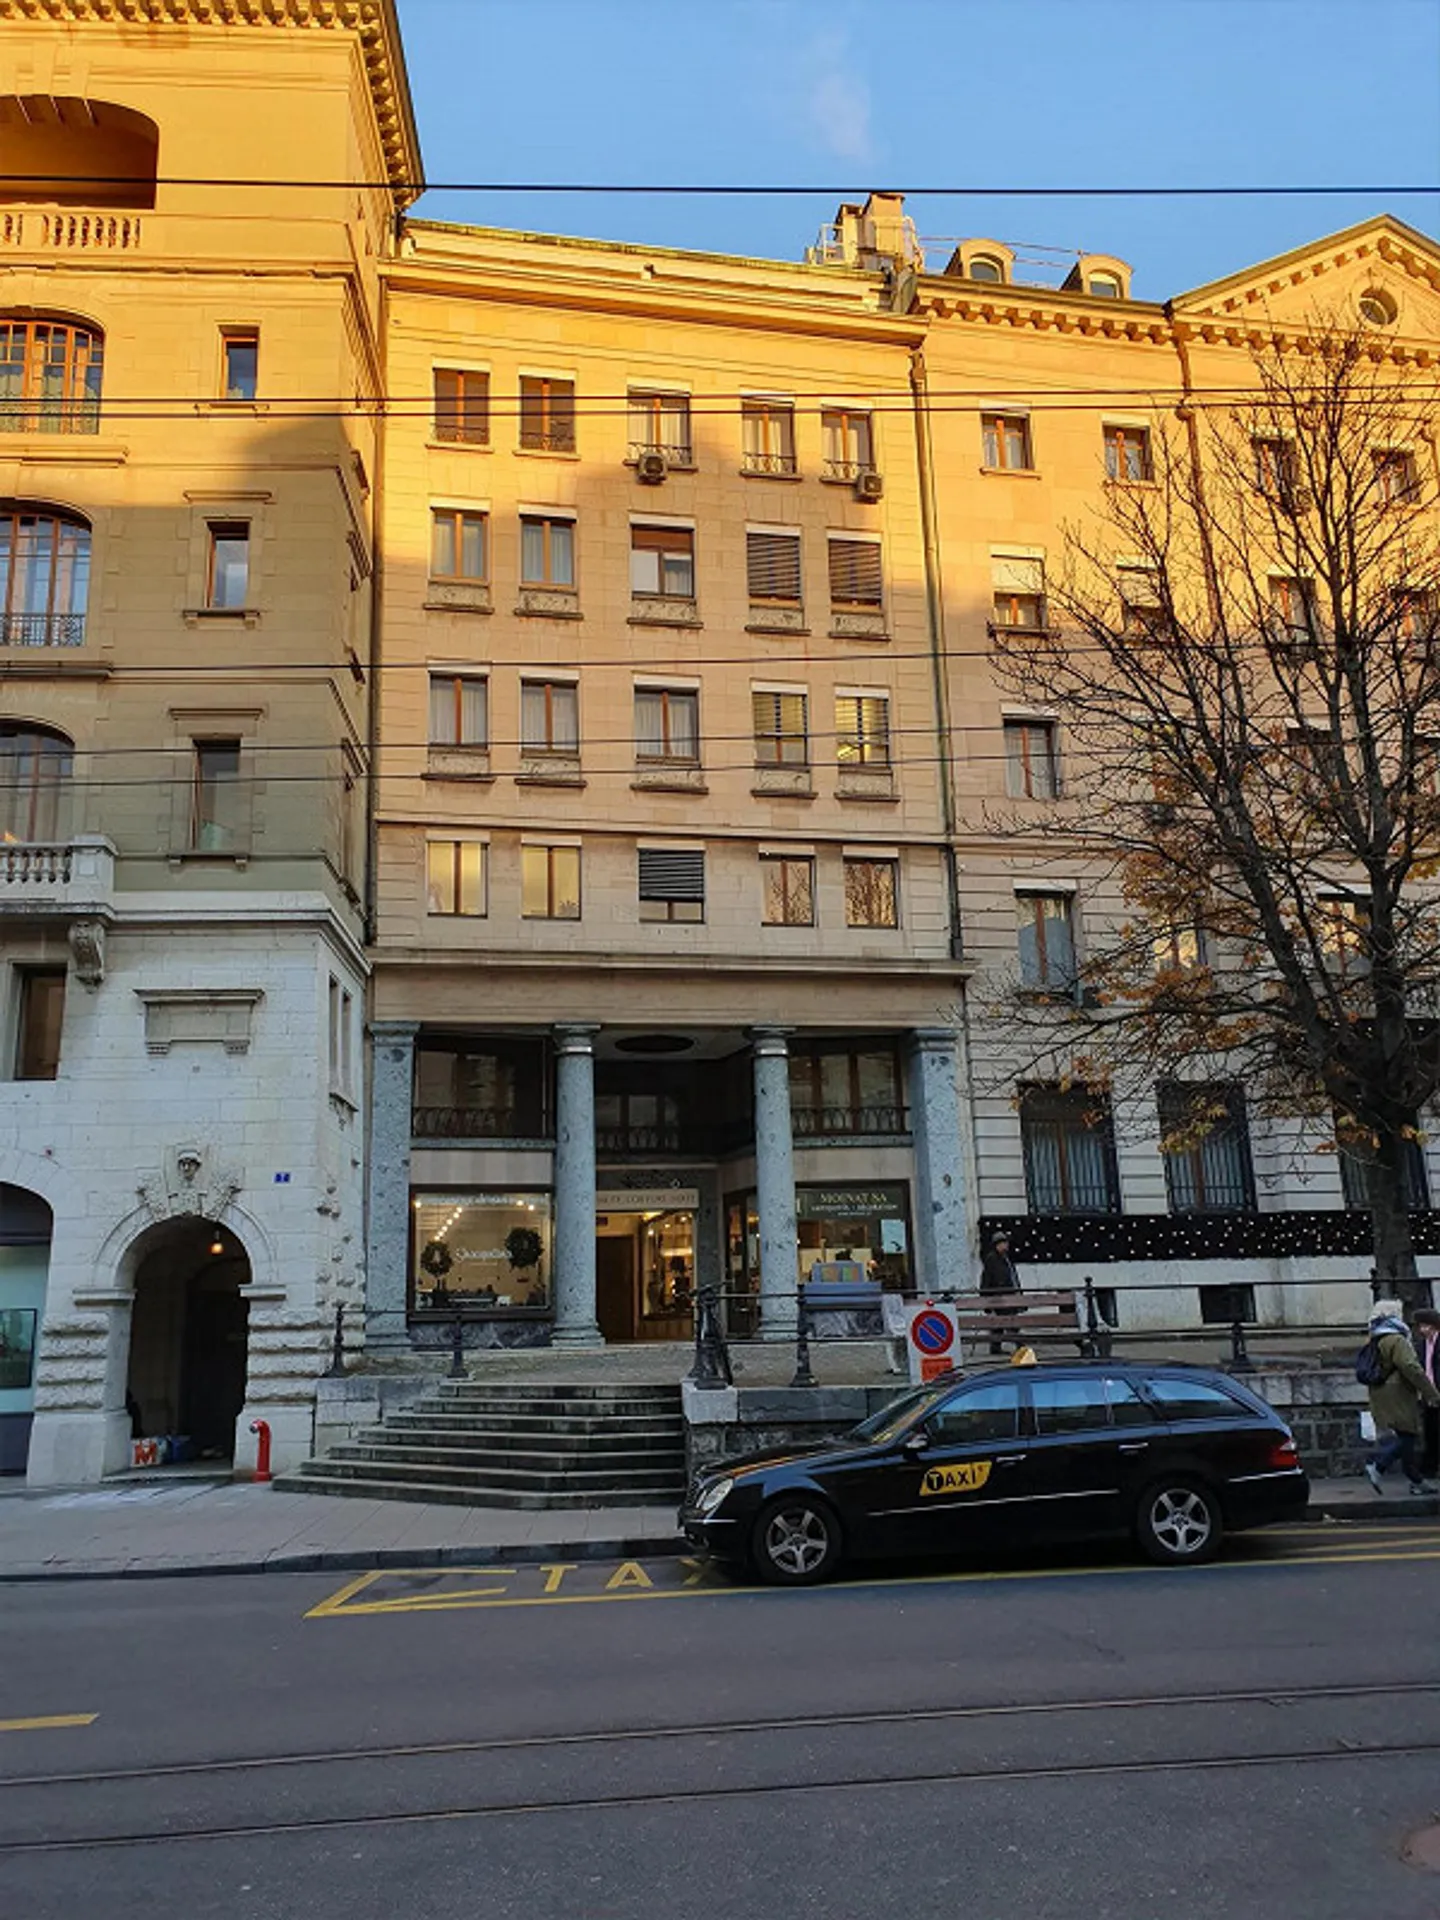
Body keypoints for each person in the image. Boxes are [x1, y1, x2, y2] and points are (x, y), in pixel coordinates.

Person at [1363, 1299, 1440, 1497]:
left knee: (1406, 1436)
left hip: (1382, 1393)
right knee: (1408, 1436)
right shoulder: (1396, 1339)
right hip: (1398, 1395)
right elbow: (1411, 1367)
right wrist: (1431, 1392)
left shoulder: (1376, 1336)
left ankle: (1416, 1479)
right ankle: (1379, 1464)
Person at [979, 1232, 1022, 1356]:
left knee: (1005, 1323)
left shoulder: (1006, 1258)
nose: (1005, 1245)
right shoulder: (992, 1259)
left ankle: (997, 1346)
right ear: (997, 1245)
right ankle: (1017, 1345)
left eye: (1006, 1243)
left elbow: (1012, 1277)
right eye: (1003, 1243)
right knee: (1005, 1322)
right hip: (1000, 1296)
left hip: (1009, 1295)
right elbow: (987, 1278)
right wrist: (986, 1300)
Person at [1412, 1305, 1440, 1481]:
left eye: (1426, 1326)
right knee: (1431, 1432)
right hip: (1428, 1395)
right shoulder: (1422, 1345)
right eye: (1421, 1326)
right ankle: (1429, 1468)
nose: (1423, 1330)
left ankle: (1429, 1467)